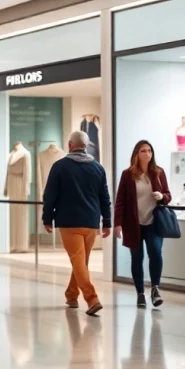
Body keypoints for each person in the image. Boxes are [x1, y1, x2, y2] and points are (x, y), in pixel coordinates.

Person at [41, 131, 111, 317]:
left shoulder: (60, 166)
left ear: (70, 145)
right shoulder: (98, 168)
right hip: (91, 222)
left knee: (78, 261)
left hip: (69, 222)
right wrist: (107, 221)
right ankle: (71, 295)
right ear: (86, 146)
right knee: (80, 261)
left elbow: (50, 195)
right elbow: (105, 197)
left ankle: (91, 298)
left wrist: (47, 218)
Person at [114, 140, 172, 308]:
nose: (147, 154)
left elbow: (168, 194)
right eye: (143, 151)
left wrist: (162, 197)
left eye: (149, 151)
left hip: (153, 222)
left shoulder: (158, 173)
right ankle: (140, 293)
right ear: (136, 155)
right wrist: (117, 224)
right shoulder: (127, 175)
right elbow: (120, 202)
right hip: (133, 224)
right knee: (136, 257)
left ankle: (155, 289)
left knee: (155, 252)